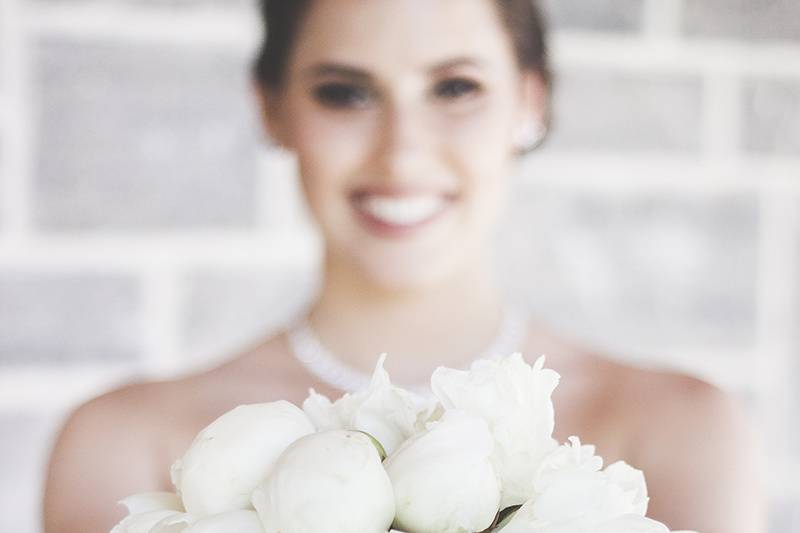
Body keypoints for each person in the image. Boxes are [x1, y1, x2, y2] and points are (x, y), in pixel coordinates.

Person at [42, 1, 766, 532]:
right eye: (345, 92)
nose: (402, 152)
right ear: (272, 108)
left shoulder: (683, 434)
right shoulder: (122, 445)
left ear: (529, 100)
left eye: (455, 88)